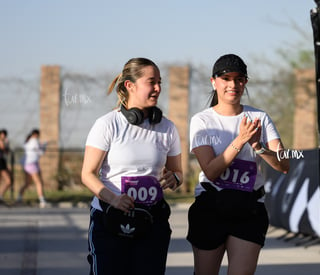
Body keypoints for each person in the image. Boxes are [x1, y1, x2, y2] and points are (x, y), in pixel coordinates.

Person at [186, 54, 290, 275]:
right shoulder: (202, 120)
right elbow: (211, 171)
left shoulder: (259, 116)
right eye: (226, 78)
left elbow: (284, 165)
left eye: (239, 79)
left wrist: (259, 147)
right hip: (211, 206)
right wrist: (240, 140)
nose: (233, 84)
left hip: (249, 208)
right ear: (214, 82)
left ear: (245, 82)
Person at [81, 57, 183, 275]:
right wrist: (114, 199)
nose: (158, 88)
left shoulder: (167, 128)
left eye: (160, 82)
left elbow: (177, 172)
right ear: (130, 85)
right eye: (151, 82)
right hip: (110, 219)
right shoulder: (108, 124)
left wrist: (176, 178)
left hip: (152, 222)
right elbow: (87, 174)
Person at [17, 129, 49, 208]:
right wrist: (44, 146)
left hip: (29, 163)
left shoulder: (28, 141)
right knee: (38, 182)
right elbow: (40, 152)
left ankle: (19, 197)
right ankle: (42, 200)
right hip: (32, 163)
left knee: (27, 183)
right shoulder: (34, 141)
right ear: (36, 134)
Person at [0, 129, 12, 205]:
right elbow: (4, 149)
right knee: (8, 181)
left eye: (5, 134)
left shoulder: (4, 142)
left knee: (5, 180)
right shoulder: (1, 142)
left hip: (2, 161)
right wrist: (6, 144)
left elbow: (6, 152)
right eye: (2, 134)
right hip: (0, 162)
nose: (3, 136)